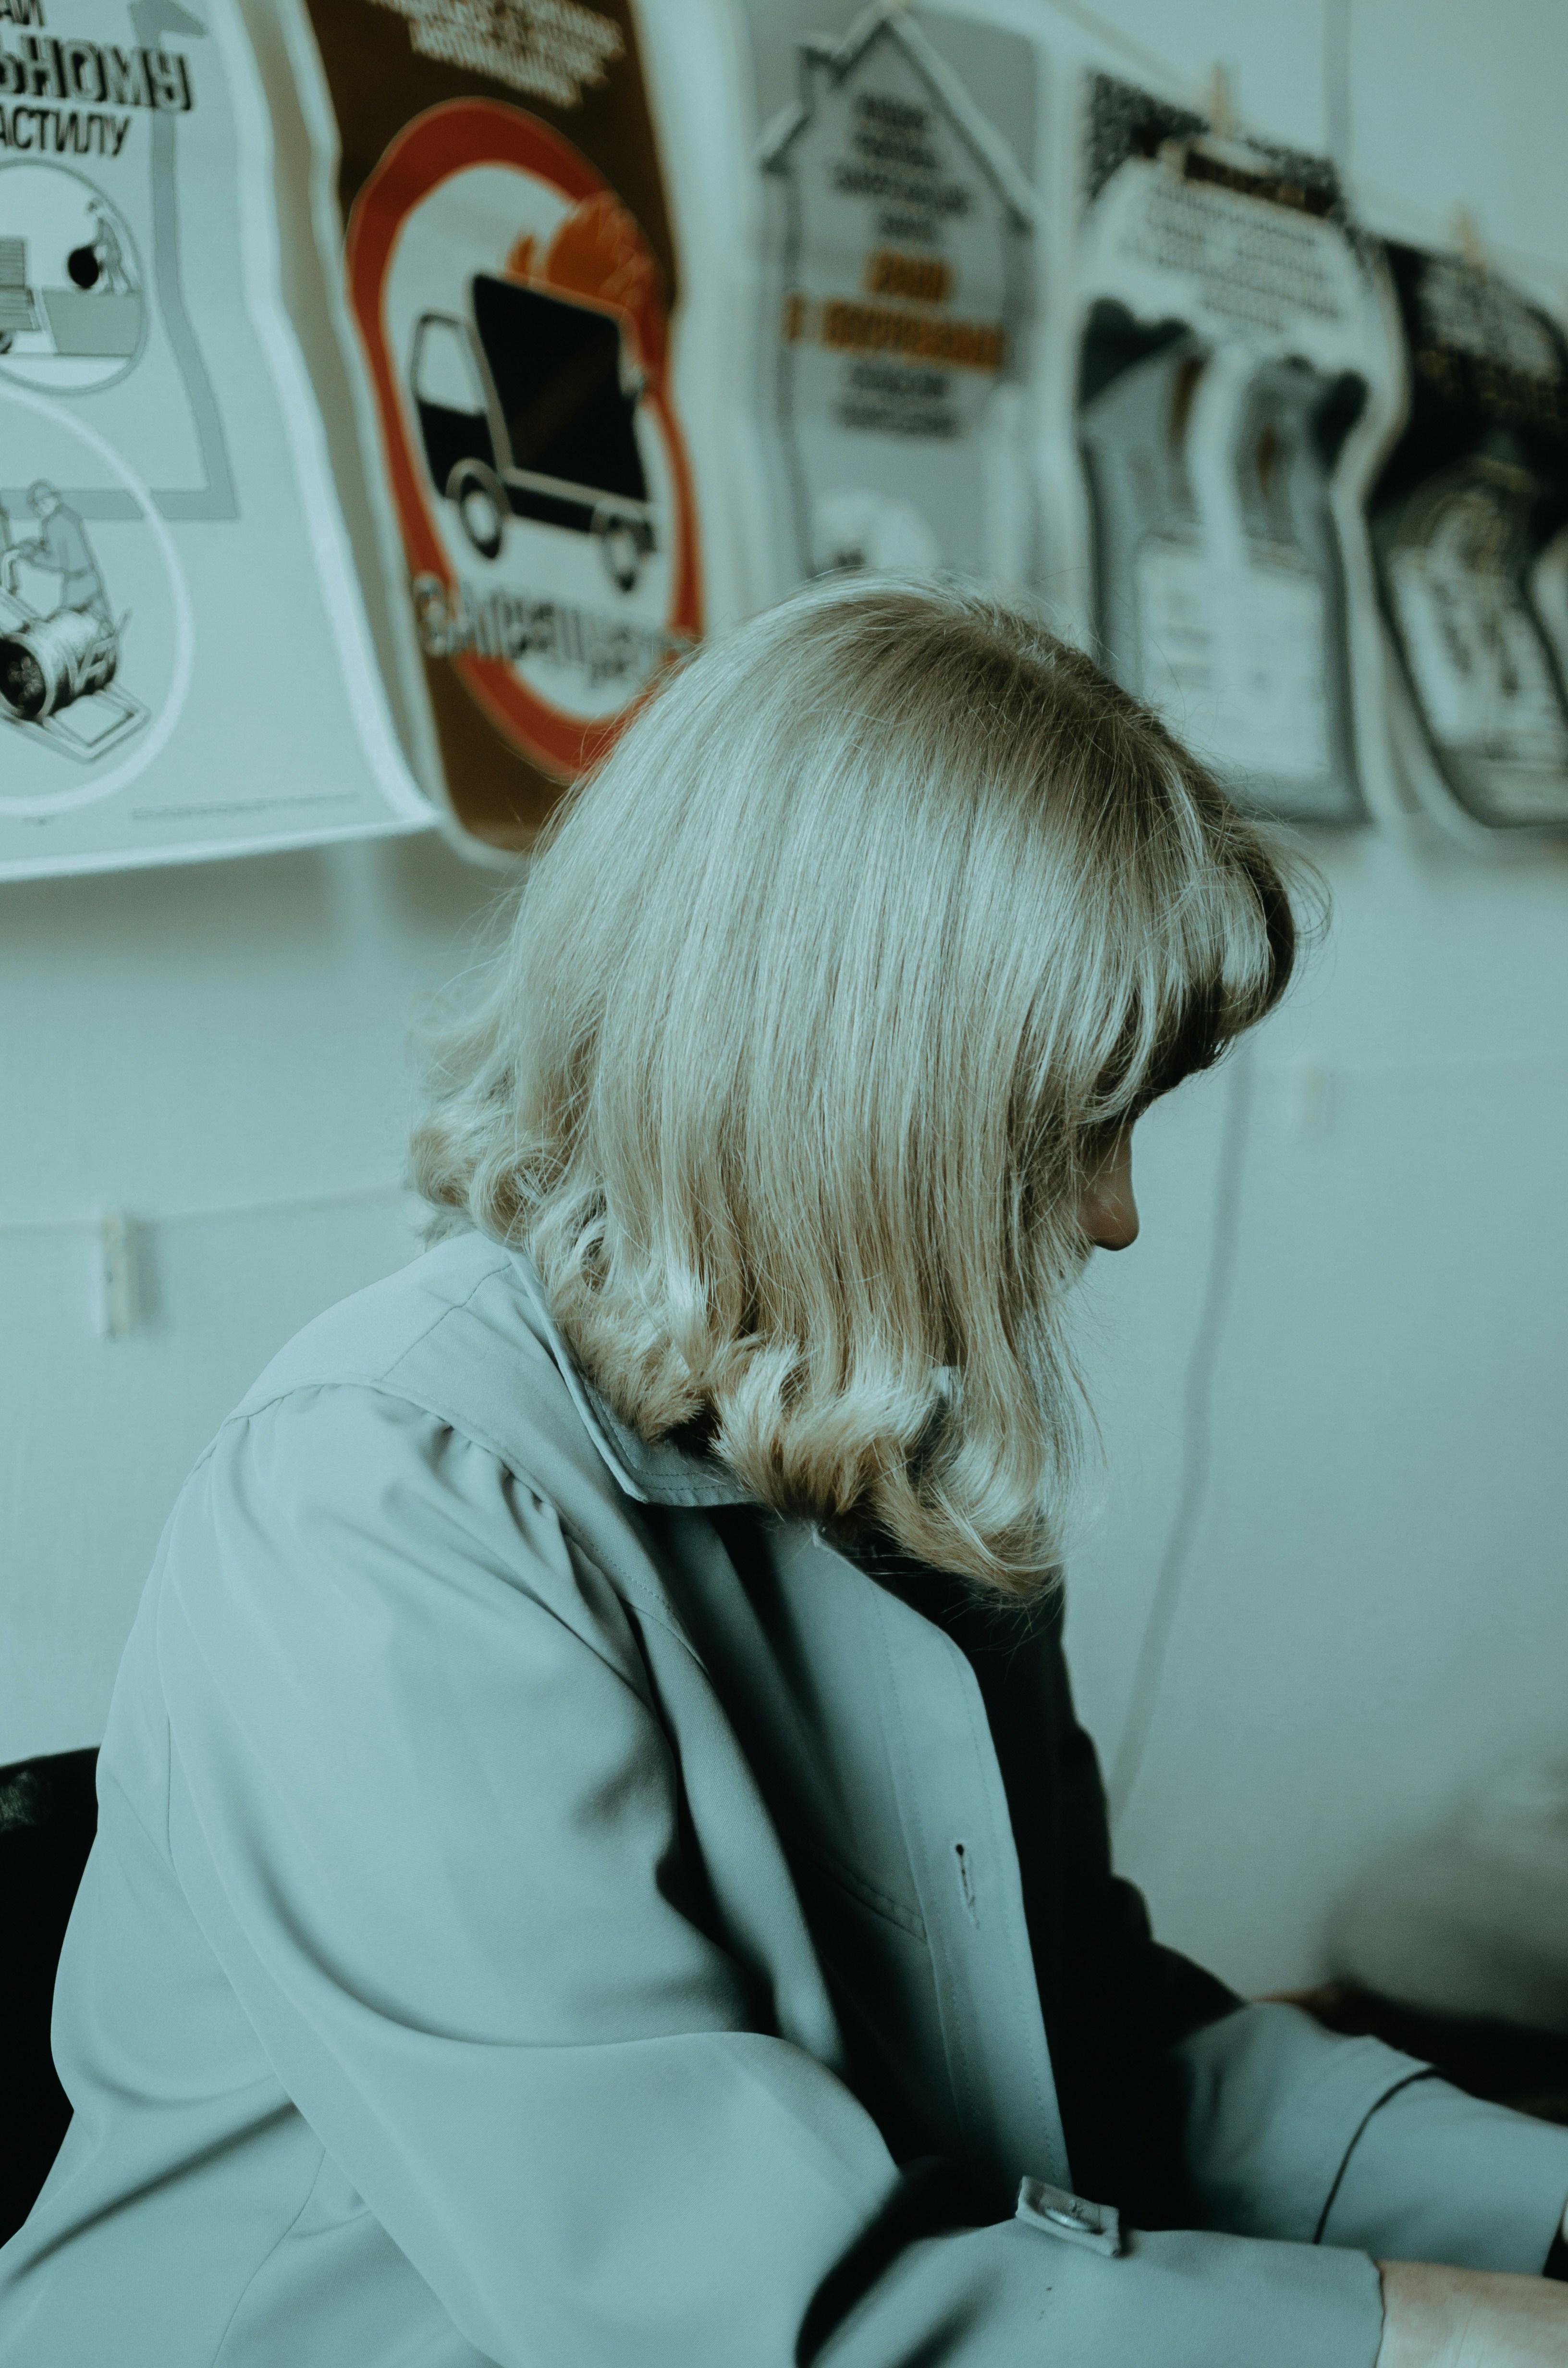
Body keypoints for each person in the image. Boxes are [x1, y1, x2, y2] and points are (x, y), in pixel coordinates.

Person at [2, 578, 1567, 2368]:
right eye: (1078, 1130)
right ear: (845, 1096)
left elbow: (1086, 2047)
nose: (1118, 1218)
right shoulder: (379, 1498)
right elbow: (732, 2322)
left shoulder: (884, 1444)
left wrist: (1538, 2213)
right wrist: (1445, 2336)